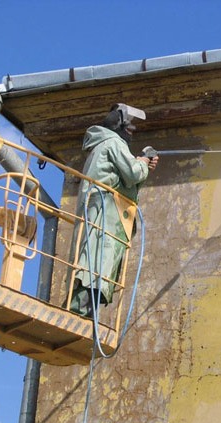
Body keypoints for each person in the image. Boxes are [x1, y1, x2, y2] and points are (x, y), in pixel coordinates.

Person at [65, 103, 158, 317]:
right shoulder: (114, 142)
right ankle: (80, 310)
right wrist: (142, 163)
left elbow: (125, 179)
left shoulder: (103, 145)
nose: (132, 131)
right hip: (105, 211)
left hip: (103, 210)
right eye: (130, 127)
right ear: (120, 125)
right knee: (97, 262)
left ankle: (84, 310)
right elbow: (133, 174)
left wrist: (141, 163)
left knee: (97, 263)